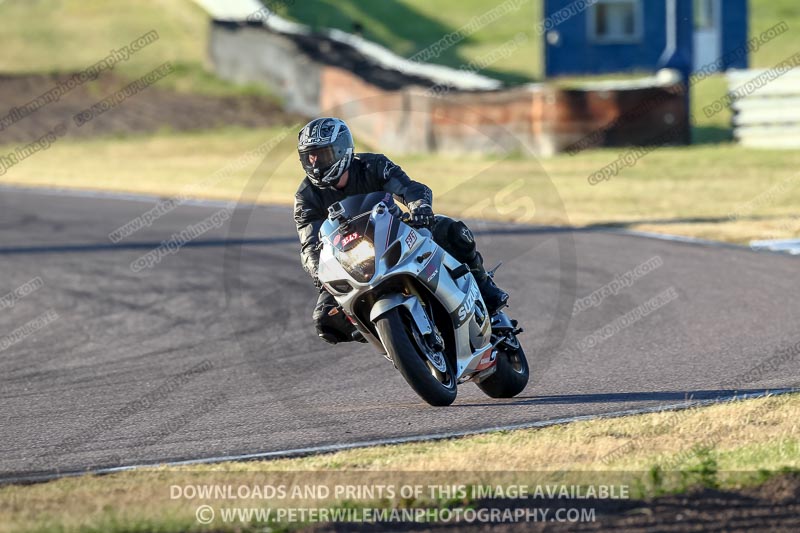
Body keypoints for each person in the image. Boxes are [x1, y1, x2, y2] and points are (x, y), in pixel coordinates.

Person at [293, 117, 508, 344]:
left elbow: (409, 188)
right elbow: (309, 242)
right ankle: (394, 334)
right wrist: (318, 271)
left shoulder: (373, 165)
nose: (315, 164)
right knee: (325, 319)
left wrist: (420, 207)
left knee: (453, 231)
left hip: (395, 233)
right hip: (349, 259)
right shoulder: (306, 196)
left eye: (322, 154)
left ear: (341, 150)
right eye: (310, 157)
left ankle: (483, 285)